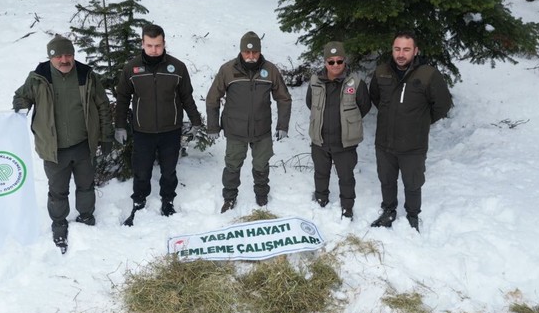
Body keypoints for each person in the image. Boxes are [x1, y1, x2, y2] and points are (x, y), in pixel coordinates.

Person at [12, 34, 113, 253]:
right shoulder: (39, 77)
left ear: (73, 55)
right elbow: (21, 96)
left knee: (85, 185)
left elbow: (103, 106)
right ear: (50, 58)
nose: (64, 60)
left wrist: (106, 136)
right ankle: (59, 222)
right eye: (58, 56)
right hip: (54, 149)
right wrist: (20, 106)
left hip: (83, 144)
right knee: (57, 191)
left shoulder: (86, 75)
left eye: (68, 54)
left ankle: (86, 216)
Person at [114, 24, 203, 225]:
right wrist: (120, 125)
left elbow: (186, 97)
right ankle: (138, 202)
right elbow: (122, 98)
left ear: (164, 43)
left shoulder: (177, 68)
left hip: (170, 129)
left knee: (169, 169)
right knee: (141, 170)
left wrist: (196, 121)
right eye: (150, 45)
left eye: (158, 45)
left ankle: (168, 201)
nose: (154, 50)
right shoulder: (132, 68)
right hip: (142, 130)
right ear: (142, 44)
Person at [369, 31, 452, 232]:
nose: (401, 54)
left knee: (413, 183)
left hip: (413, 145)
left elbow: (443, 104)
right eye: (397, 49)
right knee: (386, 180)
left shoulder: (428, 74)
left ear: (415, 51)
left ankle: (413, 215)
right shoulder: (381, 72)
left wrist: (421, 121)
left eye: (406, 49)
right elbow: (376, 97)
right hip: (385, 143)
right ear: (392, 49)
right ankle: (388, 210)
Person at [206, 31, 292, 213]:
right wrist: (213, 126)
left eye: (255, 52)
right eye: (247, 52)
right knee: (232, 165)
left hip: (261, 129)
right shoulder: (228, 70)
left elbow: (284, 98)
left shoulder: (270, 70)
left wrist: (283, 125)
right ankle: (229, 197)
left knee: (261, 165)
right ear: (241, 51)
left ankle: (261, 195)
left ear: (260, 51)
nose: (251, 56)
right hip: (236, 129)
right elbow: (213, 98)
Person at [306, 41, 371, 220]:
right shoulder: (315, 81)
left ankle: (347, 207)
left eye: (339, 61)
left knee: (346, 177)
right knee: (320, 173)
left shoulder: (356, 82)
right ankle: (321, 199)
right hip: (320, 140)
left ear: (344, 61)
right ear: (325, 62)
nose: (335, 65)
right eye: (331, 61)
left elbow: (364, 107)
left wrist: (348, 123)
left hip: (345, 142)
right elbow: (310, 103)